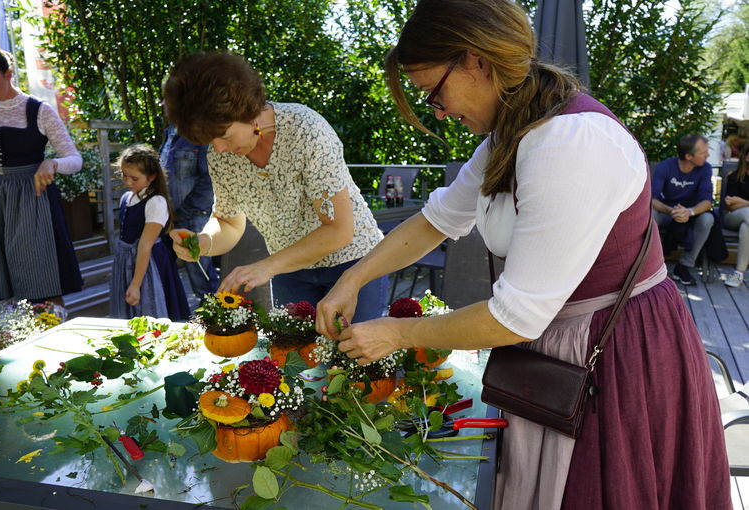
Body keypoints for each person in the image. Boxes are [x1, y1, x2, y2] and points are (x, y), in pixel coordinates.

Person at [315, 1, 730, 509]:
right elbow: (437, 220)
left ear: (477, 61)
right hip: (557, 347)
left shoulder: (571, 143)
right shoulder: (511, 134)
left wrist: (396, 333)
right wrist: (352, 279)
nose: (439, 112)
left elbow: (514, 317)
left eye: (434, 92)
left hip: (615, 351)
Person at [163, 52, 387, 321]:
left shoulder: (307, 130)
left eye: (223, 136)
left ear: (247, 110)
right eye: (210, 142)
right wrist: (204, 241)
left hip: (353, 265)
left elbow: (338, 230)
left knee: (356, 359)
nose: (219, 149)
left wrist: (265, 267)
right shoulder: (220, 157)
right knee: (294, 360)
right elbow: (229, 222)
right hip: (289, 272)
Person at [0, 44, 83, 304]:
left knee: (38, 276)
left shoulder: (40, 111)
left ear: (8, 74)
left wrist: (52, 164)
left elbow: (75, 159)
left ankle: (52, 329)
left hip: (30, 199)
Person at [109, 144, 189, 321]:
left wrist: (136, 284)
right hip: (127, 261)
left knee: (150, 312)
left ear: (152, 177)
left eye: (135, 178)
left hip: (149, 265)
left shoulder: (156, 202)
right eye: (124, 174)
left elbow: (145, 245)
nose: (128, 181)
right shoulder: (126, 198)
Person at [159, 122, 219, 304]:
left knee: (203, 281)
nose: (167, 106)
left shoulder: (200, 132)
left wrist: (185, 210)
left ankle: (217, 321)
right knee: (165, 273)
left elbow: (209, 180)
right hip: (166, 216)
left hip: (193, 216)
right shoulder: (170, 131)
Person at [651, 133, 715, 285]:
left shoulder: (705, 168)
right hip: (667, 211)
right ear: (688, 156)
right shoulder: (666, 166)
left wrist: (689, 211)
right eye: (703, 152)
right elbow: (652, 199)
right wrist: (672, 211)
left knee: (708, 218)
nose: (708, 154)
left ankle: (684, 265)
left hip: (691, 213)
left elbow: (707, 201)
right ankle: (653, 264)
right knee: (651, 216)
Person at [722, 141, 749, 287]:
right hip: (732, 218)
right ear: (746, 157)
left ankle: (738, 273)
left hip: (746, 222)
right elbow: (731, 206)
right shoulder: (735, 177)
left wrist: (741, 201)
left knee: (747, 227)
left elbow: (737, 202)